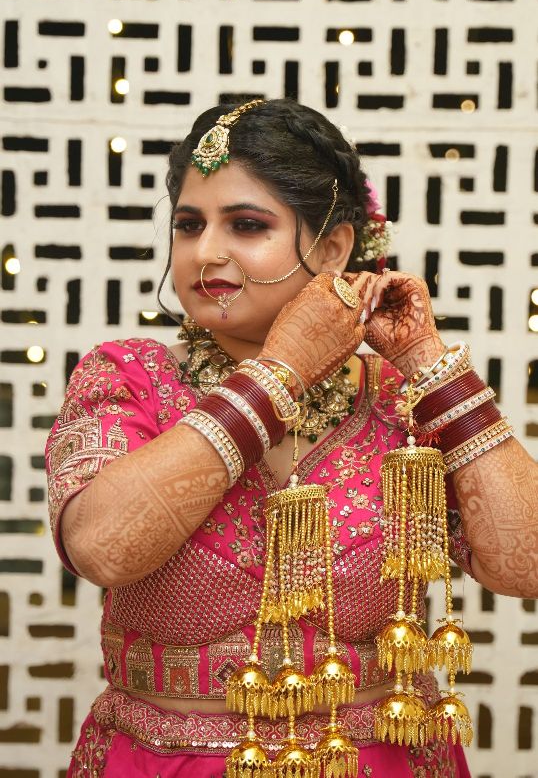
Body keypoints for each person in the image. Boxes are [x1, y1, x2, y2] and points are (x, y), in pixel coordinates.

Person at [45, 98, 538, 777]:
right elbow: (100, 548)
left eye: (247, 225)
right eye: (189, 225)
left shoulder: (400, 401)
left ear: (333, 248)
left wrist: (428, 363)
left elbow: (525, 564)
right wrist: (279, 374)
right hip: (168, 761)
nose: (206, 252)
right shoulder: (128, 377)